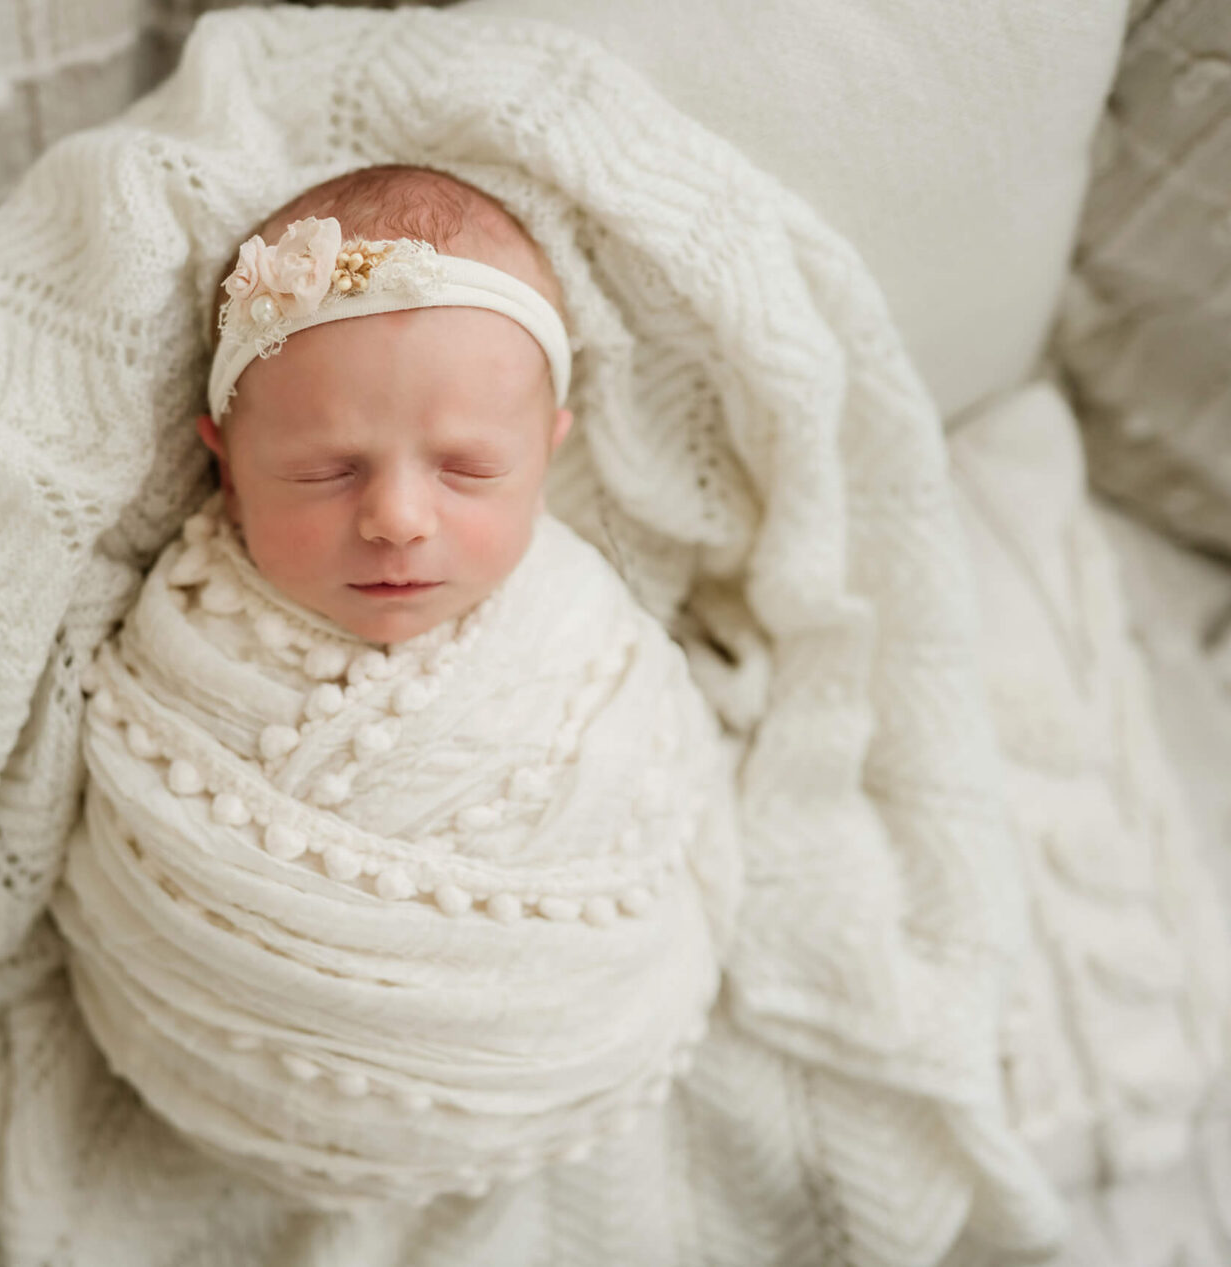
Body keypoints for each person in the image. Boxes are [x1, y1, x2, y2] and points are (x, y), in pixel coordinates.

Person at [51, 166, 730, 1209]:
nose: (399, 518)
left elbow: (661, 782)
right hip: (207, 1060)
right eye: (325, 472)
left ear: (547, 452)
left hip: (564, 1051)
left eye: (467, 470)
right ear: (224, 464)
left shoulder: (576, 627)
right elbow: (128, 849)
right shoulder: (188, 640)